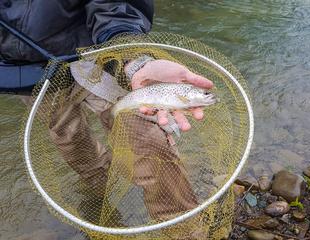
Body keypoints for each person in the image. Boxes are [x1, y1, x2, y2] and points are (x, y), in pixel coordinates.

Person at [0, 1, 212, 238]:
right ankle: (105, 195)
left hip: (95, 58)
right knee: (72, 142)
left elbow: (114, 6)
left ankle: (185, 231)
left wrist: (134, 60)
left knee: (148, 141)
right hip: (26, 75)